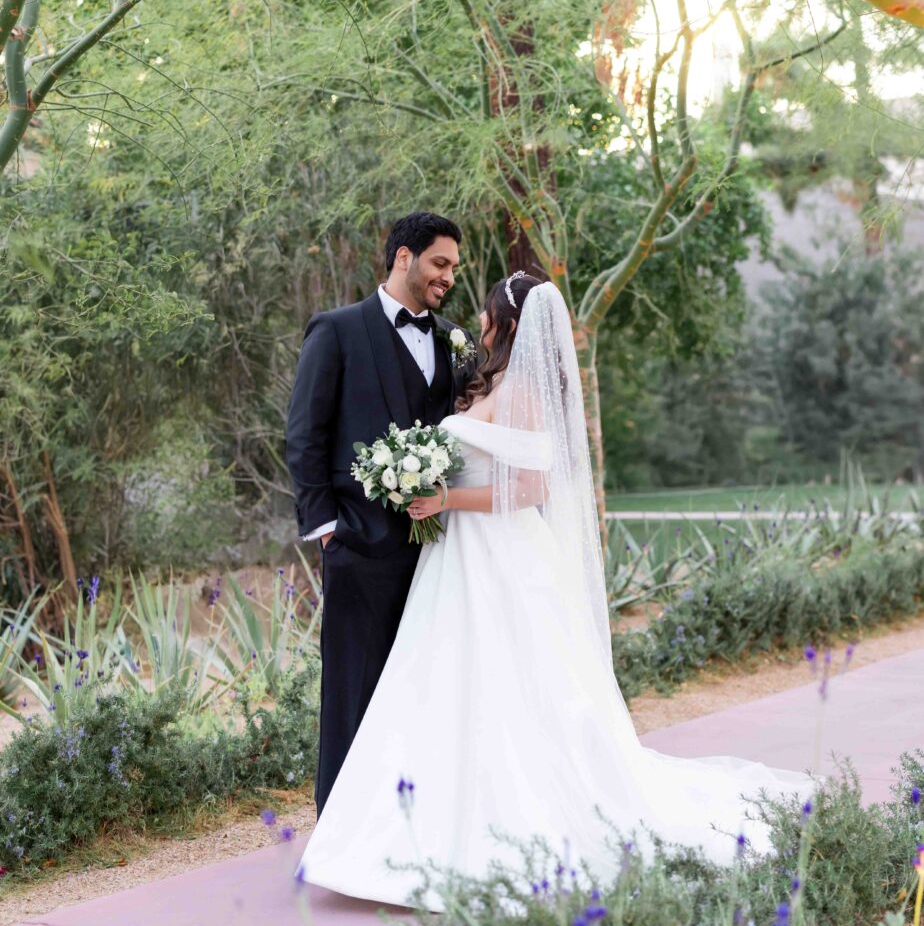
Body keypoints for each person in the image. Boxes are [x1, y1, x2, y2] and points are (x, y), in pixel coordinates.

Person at [294, 272, 815, 909]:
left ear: (509, 324)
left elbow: (532, 488)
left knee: (507, 688)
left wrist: (445, 497)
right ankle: (414, 827)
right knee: (445, 682)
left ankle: (496, 827)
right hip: (457, 558)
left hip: (499, 556)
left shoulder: (525, 391)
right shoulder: (491, 381)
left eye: (489, 313)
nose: (478, 322)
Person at [285, 212, 476, 816]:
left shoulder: (455, 340)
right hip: (359, 546)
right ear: (403, 257)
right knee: (354, 692)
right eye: (440, 263)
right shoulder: (337, 330)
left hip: (441, 551)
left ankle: (413, 821)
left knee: (426, 691)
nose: (448, 277)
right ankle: (342, 827)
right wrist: (327, 531)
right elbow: (305, 434)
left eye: (454, 267)